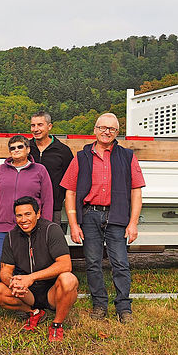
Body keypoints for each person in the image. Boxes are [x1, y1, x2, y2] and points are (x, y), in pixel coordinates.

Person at [61, 113, 145, 324]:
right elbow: (69, 192)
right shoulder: (81, 157)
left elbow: (136, 191)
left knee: (121, 263)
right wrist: (74, 224)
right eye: (103, 128)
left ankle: (124, 307)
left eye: (112, 129)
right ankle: (99, 305)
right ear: (95, 130)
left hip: (117, 216)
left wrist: (133, 222)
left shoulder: (127, 156)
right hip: (90, 215)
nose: (107, 132)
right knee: (93, 263)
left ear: (117, 133)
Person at [0, 197, 79, 342]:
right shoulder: (11, 236)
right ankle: (34, 312)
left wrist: (31, 278)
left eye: (28, 214)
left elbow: (65, 265)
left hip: (52, 291)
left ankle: (57, 324)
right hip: (26, 292)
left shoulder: (51, 230)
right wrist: (13, 281)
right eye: (19, 215)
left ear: (38, 214)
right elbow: (5, 270)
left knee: (69, 279)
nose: (23, 219)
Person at [0, 135, 53, 278]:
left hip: (29, 227)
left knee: (25, 264)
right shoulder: (0, 171)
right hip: (4, 227)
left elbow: (47, 200)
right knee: (0, 263)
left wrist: (43, 226)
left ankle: (25, 298)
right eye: (12, 148)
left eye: (20, 147)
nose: (16, 150)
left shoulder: (40, 170)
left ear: (28, 149)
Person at [29, 111, 73, 226]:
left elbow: (70, 180)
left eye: (40, 125)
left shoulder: (63, 151)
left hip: (54, 209)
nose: (36, 129)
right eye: (33, 125)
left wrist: (59, 198)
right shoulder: (26, 148)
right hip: (27, 209)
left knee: (51, 241)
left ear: (49, 126)